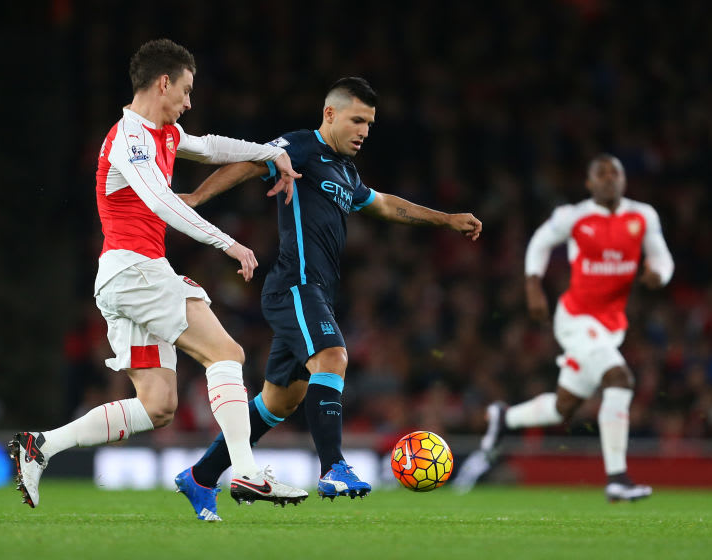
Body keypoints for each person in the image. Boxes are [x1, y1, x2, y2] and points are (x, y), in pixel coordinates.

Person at [8, 39, 308, 515]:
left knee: (157, 404)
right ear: (163, 83)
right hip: (135, 270)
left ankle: (40, 445)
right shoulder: (130, 139)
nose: (189, 102)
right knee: (226, 352)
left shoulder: (164, 133)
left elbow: (209, 148)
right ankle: (248, 472)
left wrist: (270, 152)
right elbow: (163, 202)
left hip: (125, 276)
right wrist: (227, 241)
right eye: (186, 91)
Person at [172, 77, 482, 521]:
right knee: (333, 356)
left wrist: (446, 218)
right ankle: (333, 467)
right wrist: (199, 197)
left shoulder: (346, 171)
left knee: (279, 402)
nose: (364, 131)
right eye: (357, 120)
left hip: (315, 291)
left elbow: (385, 205)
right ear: (331, 114)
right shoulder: (298, 147)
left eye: (370, 124)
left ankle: (200, 477)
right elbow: (249, 160)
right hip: (296, 285)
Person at [467, 154, 674, 501]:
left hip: (611, 326)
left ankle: (503, 418)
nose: (609, 179)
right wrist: (533, 286)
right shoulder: (574, 216)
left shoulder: (643, 216)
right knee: (619, 378)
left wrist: (659, 275)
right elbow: (539, 242)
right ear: (590, 184)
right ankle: (618, 478)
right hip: (576, 319)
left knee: (564, 407)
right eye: (601, 174)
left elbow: (662, 257)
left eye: (615, 173)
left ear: (624, 180)